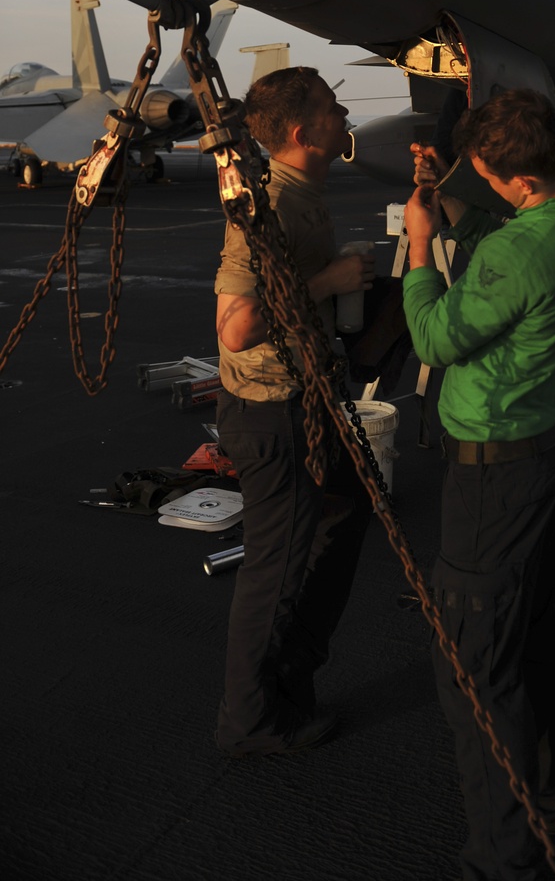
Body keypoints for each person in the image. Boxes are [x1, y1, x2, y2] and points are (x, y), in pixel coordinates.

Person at [402, 89, 555, 881]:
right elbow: (510, 241)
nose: (483, 186)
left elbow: (433, 335)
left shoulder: (516, 252)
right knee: (539, 633)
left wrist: (421, 244)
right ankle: (550, 794)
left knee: (476, 668)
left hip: (495, 475)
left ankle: (507, 858)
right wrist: (455, 196)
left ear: (519, 183)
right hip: (546, 448)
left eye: (489, 177)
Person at [213, 66, 375, 756]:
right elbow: (236, 327)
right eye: (335, 109)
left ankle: (292, 671)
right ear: (307, 132)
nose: (346, 116)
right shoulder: (268, 205)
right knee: (272, 570)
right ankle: (248, 720)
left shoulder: (306, 192)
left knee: (346, 511)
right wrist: (330, 280)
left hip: (306, 401)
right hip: (271, 415)